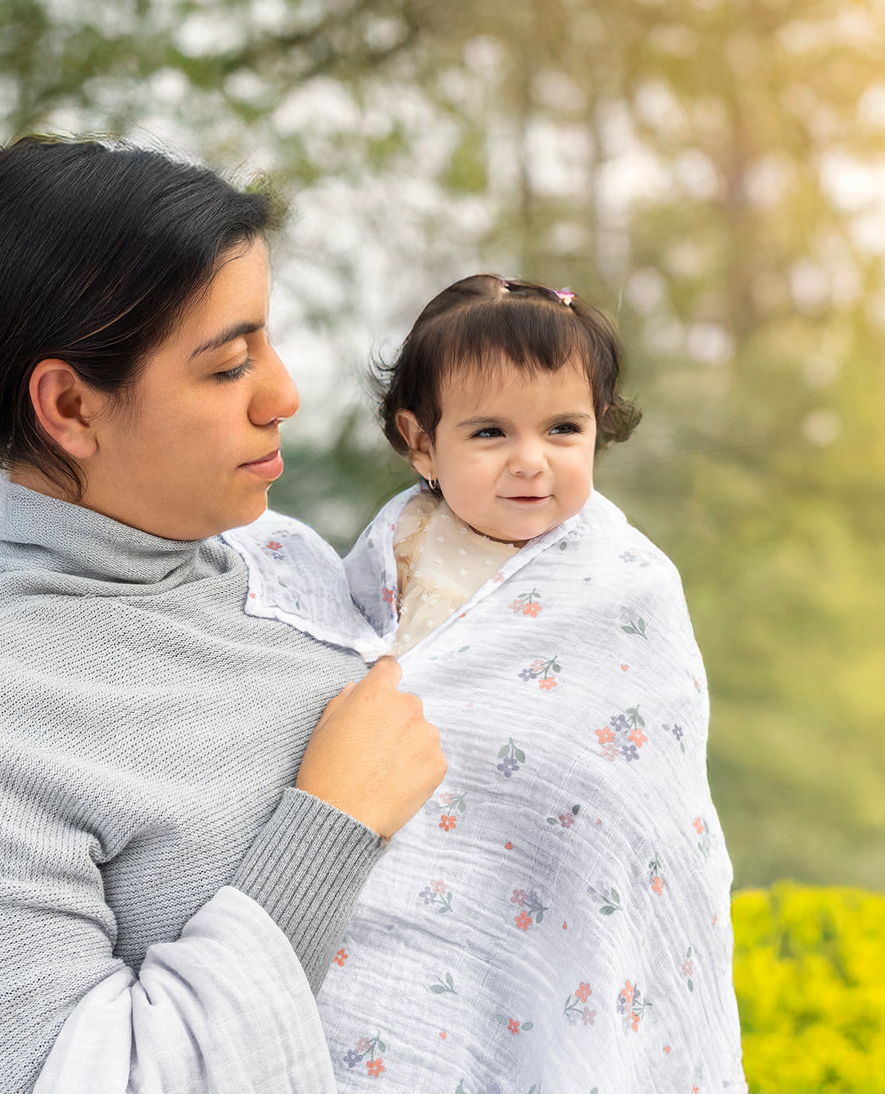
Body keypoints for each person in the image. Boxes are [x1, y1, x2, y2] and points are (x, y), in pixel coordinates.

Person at [0, 134, 447, 1094]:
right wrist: (330, 824)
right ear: (71, 406)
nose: (283, 394)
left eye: (269, 342)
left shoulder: (285, 569)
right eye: (226, 368)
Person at [230, 275, 746, 1091]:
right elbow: (346, 661)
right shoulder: (396, 542)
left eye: (564, 428)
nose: (531, 461)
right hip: (378, 880)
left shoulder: (626, 584)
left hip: (538, 891)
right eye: (491, 432)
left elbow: (643, 806)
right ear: (421, 442)